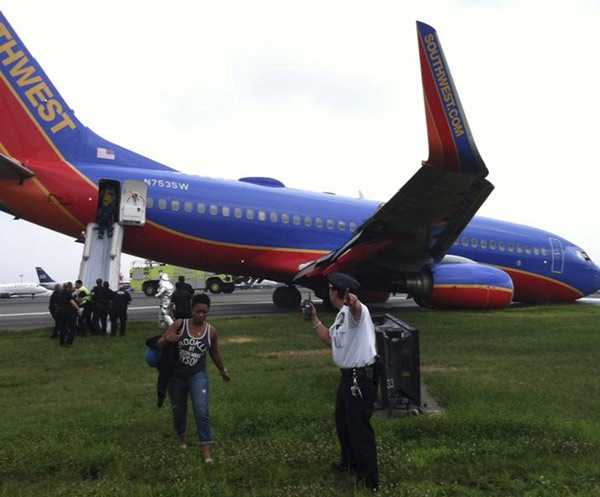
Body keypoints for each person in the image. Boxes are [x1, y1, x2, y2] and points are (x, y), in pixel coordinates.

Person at [308, 272, 379, 492]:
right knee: (343, 422)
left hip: (361, 377)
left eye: (330, 290)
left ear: (336, 293)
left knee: (359, 428)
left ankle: (369, 480)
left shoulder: (357, 312)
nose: (328, 293)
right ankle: (349, 462)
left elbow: (357, 311)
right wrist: (313, 318)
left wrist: (354, 302)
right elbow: (330, 339)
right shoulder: (341, 316)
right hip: (348, 377)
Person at [156, 293, 232, 462]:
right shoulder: (179, 324)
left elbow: (215, 354)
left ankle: (206, 450)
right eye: (198, 311)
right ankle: (182, 438)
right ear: (191, 310)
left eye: (205, 312)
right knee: (179, 410)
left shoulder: (211, 331)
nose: (201, 315)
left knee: (201, 411)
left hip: (197, 376)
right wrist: (167, 339)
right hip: (176, 377)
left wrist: (223, 371)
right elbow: (159, 344)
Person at [55, 281, 80, 347]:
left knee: (62, 328)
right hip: (67, 312)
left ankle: (62, 343)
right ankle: (69, 342)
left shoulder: (59, 294)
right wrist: (78, 309)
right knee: (72, 327)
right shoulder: (68, 294)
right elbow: (72, 302)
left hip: (60, 312)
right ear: (68, 287)